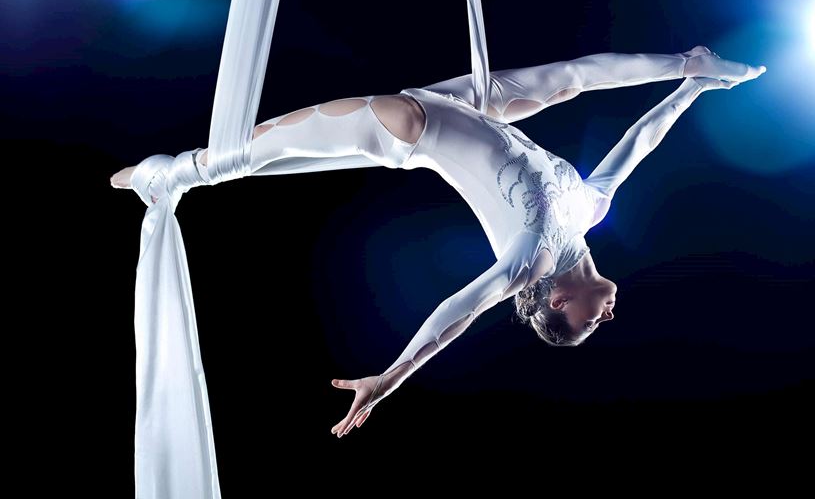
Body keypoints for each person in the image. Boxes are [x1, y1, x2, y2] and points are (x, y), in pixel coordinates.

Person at [110, 45, 766, 438]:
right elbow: (636, 146)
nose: (609, 314)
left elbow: (455, 315)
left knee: (237, 155)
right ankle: (693, 61)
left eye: (592, 324)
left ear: (556, 304)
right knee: (569, 79)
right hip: (466, 107)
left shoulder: (528, 261)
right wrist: (690, 90)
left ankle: (162, 175)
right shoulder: (588, 213)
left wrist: (391, 379)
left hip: (402, 128)